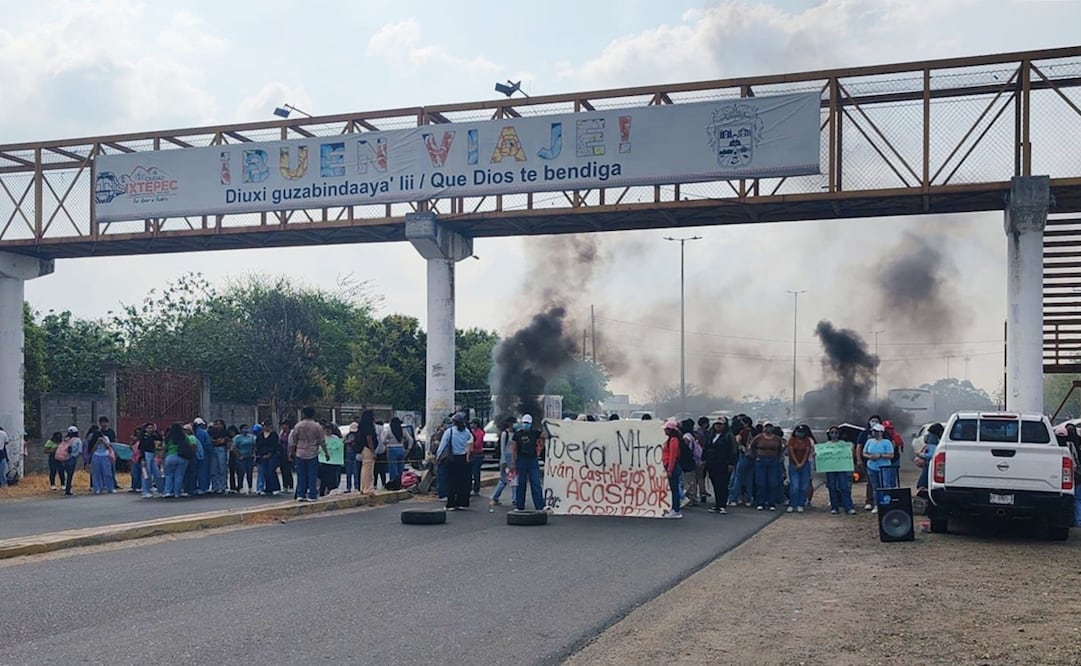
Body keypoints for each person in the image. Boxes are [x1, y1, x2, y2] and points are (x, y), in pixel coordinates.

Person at [288, 406, 328, 502]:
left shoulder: (298, 425)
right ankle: (312, 495)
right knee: (312, 475)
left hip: (300, 453)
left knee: (301, 475)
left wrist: (291, 452)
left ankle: (301, 494)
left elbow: (293, 441)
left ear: (303, 414)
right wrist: (326, 453)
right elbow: (322, 441)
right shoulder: (317, 426)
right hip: (312, 453)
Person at [510, 414, 547, 512]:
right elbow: (513, 448)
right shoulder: (518, 434)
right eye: (524, 423)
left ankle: (539, 506)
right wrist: (513, 461)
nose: (526, 425)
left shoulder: (535, 433)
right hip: (521, 459)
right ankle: (519, 506)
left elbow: (545, 436)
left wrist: (541, 447)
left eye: (527, 423)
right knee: (521, 483)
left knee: (536, 483)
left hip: (532, 459)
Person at [437, 412, 474, 510]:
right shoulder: (467, 432)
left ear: (454, 422)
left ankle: (451, 504)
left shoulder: (449, 432)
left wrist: (438, 457)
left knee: (451, 481)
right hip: (464, 459)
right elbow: (471, 442)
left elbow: (443, 445)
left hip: (452, 459)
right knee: (463, 481)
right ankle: (462, 502)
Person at [702, 418, 736, 513]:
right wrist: (703, 459)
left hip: (724, 464)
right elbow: (706, 448)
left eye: (720, 424)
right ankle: (717, 504)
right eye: (716, 424)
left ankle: (722, 505)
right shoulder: (711, 435)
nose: (718, 426)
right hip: (712, 463)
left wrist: (731, 463)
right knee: (715, 484)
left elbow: (733, 451)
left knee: (723, 484)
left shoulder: (728, 436)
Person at [823, 426, 857, 515]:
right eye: (832, 432)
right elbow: (822, 457)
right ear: (829, 434)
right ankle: (834, 507)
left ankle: (848, 507)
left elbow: (850, 454)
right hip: (830, 469)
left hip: (842, 468)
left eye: (836, 432)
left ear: (839, 434)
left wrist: (852, 449)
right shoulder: (826, 445)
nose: (834, 434)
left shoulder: (844, 444)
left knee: (844, 487)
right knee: (832, 488)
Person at [862, 423, 895, 513]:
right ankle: (877, 505)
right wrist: (870, 457)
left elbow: (891, 455)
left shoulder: (886, 442)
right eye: (873, 431)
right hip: (872, 467)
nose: (874, 433)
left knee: (885, 485)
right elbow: (864, 453)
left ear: (881, 432)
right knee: (875, 487)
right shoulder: (869, 441)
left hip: (884, 467)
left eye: (876, 431)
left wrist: (880, 456)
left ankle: (887, 504)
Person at [750, 425, 783, 511]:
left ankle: (771, 503)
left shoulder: (777, 439)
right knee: (760, 483)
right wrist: (755, 456)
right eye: (766, 427)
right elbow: (752, 446)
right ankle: (760, 503)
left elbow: (780, 449)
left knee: (772, 483)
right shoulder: (758, 437)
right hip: (761, 460)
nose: (768, 429)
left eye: (770, 427)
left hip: (773, 461)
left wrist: (777, 457)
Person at [488, 417, 516, 509]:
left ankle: (514, 499)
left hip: (513, 458)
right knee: (504, 480)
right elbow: (502, 448)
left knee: (514, 479)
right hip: (506, 458)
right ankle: (494, 497)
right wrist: (503, 461)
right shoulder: (505, 434)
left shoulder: (515, 433)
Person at [786, 424, 814, 514]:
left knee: (804, 486)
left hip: (805, 465)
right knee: (795, 486)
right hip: (793, 465)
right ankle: (792, 504)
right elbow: (791, 452)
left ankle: (800, 504)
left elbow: (807, 452)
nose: (800, 434)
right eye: (798, 432)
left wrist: (802, 463)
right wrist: (797, 463)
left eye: (802, 432)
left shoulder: (807, 441)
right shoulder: (792, 440)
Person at [661, 420, 684, 519]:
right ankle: (674, 509)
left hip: (672, 466)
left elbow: (673, 456)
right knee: (673, 488)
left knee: (674, 489)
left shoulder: (673, 440)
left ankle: (676, 510)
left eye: (666, 429)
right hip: (670, 466)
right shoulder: (671, 439)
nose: (665, 431)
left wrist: (670, 469)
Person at [914, 423, 943, 496]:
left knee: (924, 477)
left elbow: (930, 454)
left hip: (927, 463)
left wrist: (920, 454)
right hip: (930, 463)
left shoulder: (929, 441)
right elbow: (932, 455)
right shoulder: (934, 441)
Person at [162, 423, 189, 499]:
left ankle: (168, 492)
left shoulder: (168, 438)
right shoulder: (184, 437)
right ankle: (177, 493)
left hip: (170, 457)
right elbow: (189, 445)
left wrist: (163, 458)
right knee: (179, 475)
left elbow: (165, 448)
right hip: (181, 457)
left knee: (169, 475)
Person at [255, 422, 281, 496]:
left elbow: (276, 445)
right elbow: (258, 445)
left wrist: (270, 453)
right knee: (265, 472)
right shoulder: (260, 435)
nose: (267, 427)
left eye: (268, 425)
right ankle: (268, 488)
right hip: (262, 455)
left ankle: (275, 488)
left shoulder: (274, 435)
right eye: (265, 426)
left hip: (272, 455)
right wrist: (261, 454)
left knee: (271, 471)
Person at [139, 423, 164, 498]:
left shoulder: (153, 436)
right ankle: (145, 491)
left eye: (151, 428)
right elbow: (141, 448)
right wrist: (143, 458)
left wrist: (156, 431)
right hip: (146, 454)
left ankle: (161, 490)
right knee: (147, 474)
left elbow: (160, 439)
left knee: (157, 473)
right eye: (149, 428)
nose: (150, 429)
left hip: (153, 455)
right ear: (146, 429)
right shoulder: (143, 437)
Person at [318, 423, 344, 496]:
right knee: (323, 478)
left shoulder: (335, 439)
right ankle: (322, 492)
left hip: (333, 462)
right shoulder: (321, 438)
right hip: (322, 461)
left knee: (332, 478)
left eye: (329, 429)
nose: (327, 431)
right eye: (325, 429)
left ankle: (331, 490)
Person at [385, 417, 411, 488]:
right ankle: (399, 483)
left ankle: (394, 484)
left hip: (391, 449)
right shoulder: (403, 430)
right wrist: (408, 449)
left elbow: (383, 440)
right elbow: (410, 439)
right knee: (400, 468)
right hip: (401, 449)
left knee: (393, 468)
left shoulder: (389, 430)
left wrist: (387, 443)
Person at [357, 410, 378, 495]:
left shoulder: (361, 426)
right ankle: (368, 488)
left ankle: (363, 487)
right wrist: (373, 452)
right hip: (368, 449)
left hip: (363, 448)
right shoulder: (369, 427)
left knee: (364, 468)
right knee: (369, 470)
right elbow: (369, 440)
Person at [232, 424, 257, 494]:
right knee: (241, 473)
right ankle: (240, 487)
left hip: (249, 457)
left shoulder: (251, 437)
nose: (246, 430)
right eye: (245, 428)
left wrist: (253, 454)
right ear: (241, 430)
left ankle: (250, 487)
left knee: (249, 473)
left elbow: (254, 446)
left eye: (247, 428)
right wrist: (238, 456)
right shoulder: (238, 437)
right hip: (241, 458)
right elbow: (234, 448)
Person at [89, 430, 116, 494]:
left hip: (105, 456)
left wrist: (103, 441)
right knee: (96, 473)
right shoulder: (93, 440)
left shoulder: (106, 438)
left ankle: (110, 488)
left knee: (107, 473)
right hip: (96, 456)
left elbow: (108, 447)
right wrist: (97, 442)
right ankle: (97, 488)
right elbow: (92, 451)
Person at [208, 419, 229, 494]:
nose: (218, 425)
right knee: (213, 469)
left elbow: (223, 441)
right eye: (216, 424)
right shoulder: (211, 432)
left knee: (222, 468)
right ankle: (215, 487)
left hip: (221, 449)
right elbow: (210, 441)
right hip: (213, 449)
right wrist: (217, 441)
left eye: (219, 424)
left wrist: (217, 441)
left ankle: (223, 486)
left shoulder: (225, 432)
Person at [61, 427, 82, 496]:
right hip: (72, 458)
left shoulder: (66, 439)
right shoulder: (78, 440)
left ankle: (65, 487)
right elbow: (80, 451)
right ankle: (68, 489)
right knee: (70, 474)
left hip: (64, 457)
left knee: (65, 473)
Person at [278, 420, 294, 494]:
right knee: (283, 470)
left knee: (288, 471)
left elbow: (292, 444)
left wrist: (291, 454)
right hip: (282, 454)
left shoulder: (291, 433)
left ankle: (290, 486)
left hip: (289, 453)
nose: (283, 426)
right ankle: (285, 486)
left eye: (284, 424)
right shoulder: (281, 433)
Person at [343, 422, 359, 493]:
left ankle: (356, 487)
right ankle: (348, 487)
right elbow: (343, 442)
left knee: (355, 472)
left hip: (355, 452)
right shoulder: (347, 435)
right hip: (349, 453)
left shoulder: (358, 436)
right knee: (349, 472)